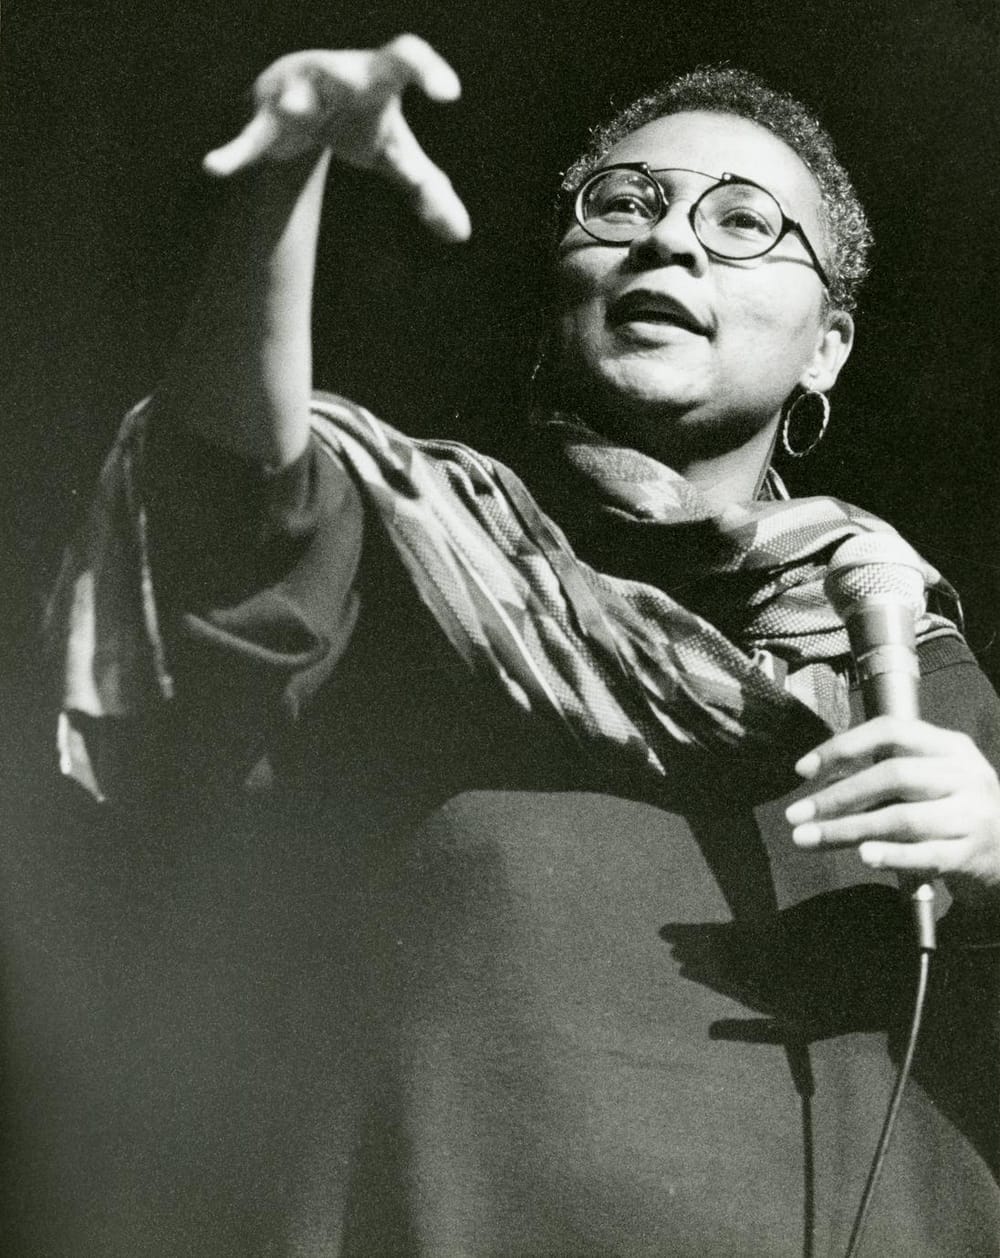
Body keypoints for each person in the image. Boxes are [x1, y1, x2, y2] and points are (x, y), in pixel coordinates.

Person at [49, 34, 1000, 1257]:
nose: (670, 241)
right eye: (625, 204)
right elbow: (228, 502)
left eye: (744, 222)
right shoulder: (410, 562)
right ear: (560, 282)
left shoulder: (925, 692)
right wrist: (279, 190)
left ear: (828, 346)